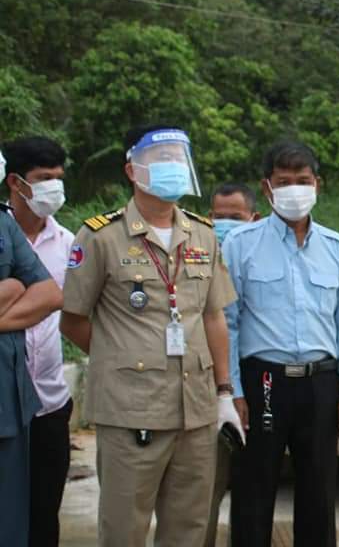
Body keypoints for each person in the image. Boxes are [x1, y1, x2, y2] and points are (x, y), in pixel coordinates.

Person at [59, 125, 242, 547]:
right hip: (131, 412)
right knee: (124, 528)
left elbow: (213, 317)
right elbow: (73, 319)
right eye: (162, 160)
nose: (173, 167)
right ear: (132, 170)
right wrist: (120, 359)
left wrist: (224, 393)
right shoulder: (101, 235)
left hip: (195, 411)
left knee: (189, 529)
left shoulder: (202, 233)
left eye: (178, 158)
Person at [224, 140, 339, 547]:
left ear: (317, 184)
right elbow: (227, 323)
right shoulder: (240, 244)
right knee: (253, 493)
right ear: (267, 187)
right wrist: (233, 391)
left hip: (320, 384)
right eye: (283, 181)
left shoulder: (337, 249)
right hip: (263, 384)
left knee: (319, 496)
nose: (294, 190)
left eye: (302, 180)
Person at [3, 136, 75, 547]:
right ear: (15, 182)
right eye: (44, 178)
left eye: (58, 178)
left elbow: (63, 305)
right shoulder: (2, 234)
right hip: (3, 404)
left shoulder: (69, 244)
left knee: (44, 516)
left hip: (49, 403)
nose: (54, 188)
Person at [203, 182, 259, 547]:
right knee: (204, 490)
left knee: (253, 491)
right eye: (218, 217)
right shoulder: (193, 257)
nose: (225, 225)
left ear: (253, 218)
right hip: (206, 391)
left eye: (235, 217)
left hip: (256, 390)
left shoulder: (262, 258)